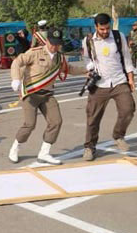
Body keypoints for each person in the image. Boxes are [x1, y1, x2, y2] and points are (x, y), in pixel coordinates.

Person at [8, 27, 86, 165]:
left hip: (47, 95)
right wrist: (15, 79)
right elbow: (17, 62)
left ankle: (44, 153)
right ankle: (15, 147)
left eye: (58, 44)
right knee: (29, 125)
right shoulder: (35, 53)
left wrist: (88, 69)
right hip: (31, 94)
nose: (55, 46)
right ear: (47, 40)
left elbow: (70, 69)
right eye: (53, 43)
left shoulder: (59, 57)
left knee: (56, 121)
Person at [82, 13, 136, 161]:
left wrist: (131, 79)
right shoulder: (88, 41)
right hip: (99, 85)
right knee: (93, 118)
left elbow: (126, 57)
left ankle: (118, 135)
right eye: (102, 29)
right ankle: (89, 147)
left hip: (119, 81)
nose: (105, 31)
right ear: (96, 27)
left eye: (107, 28)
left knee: (128, 109)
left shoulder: (119, 37)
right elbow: (86, 58)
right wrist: (90, 67)